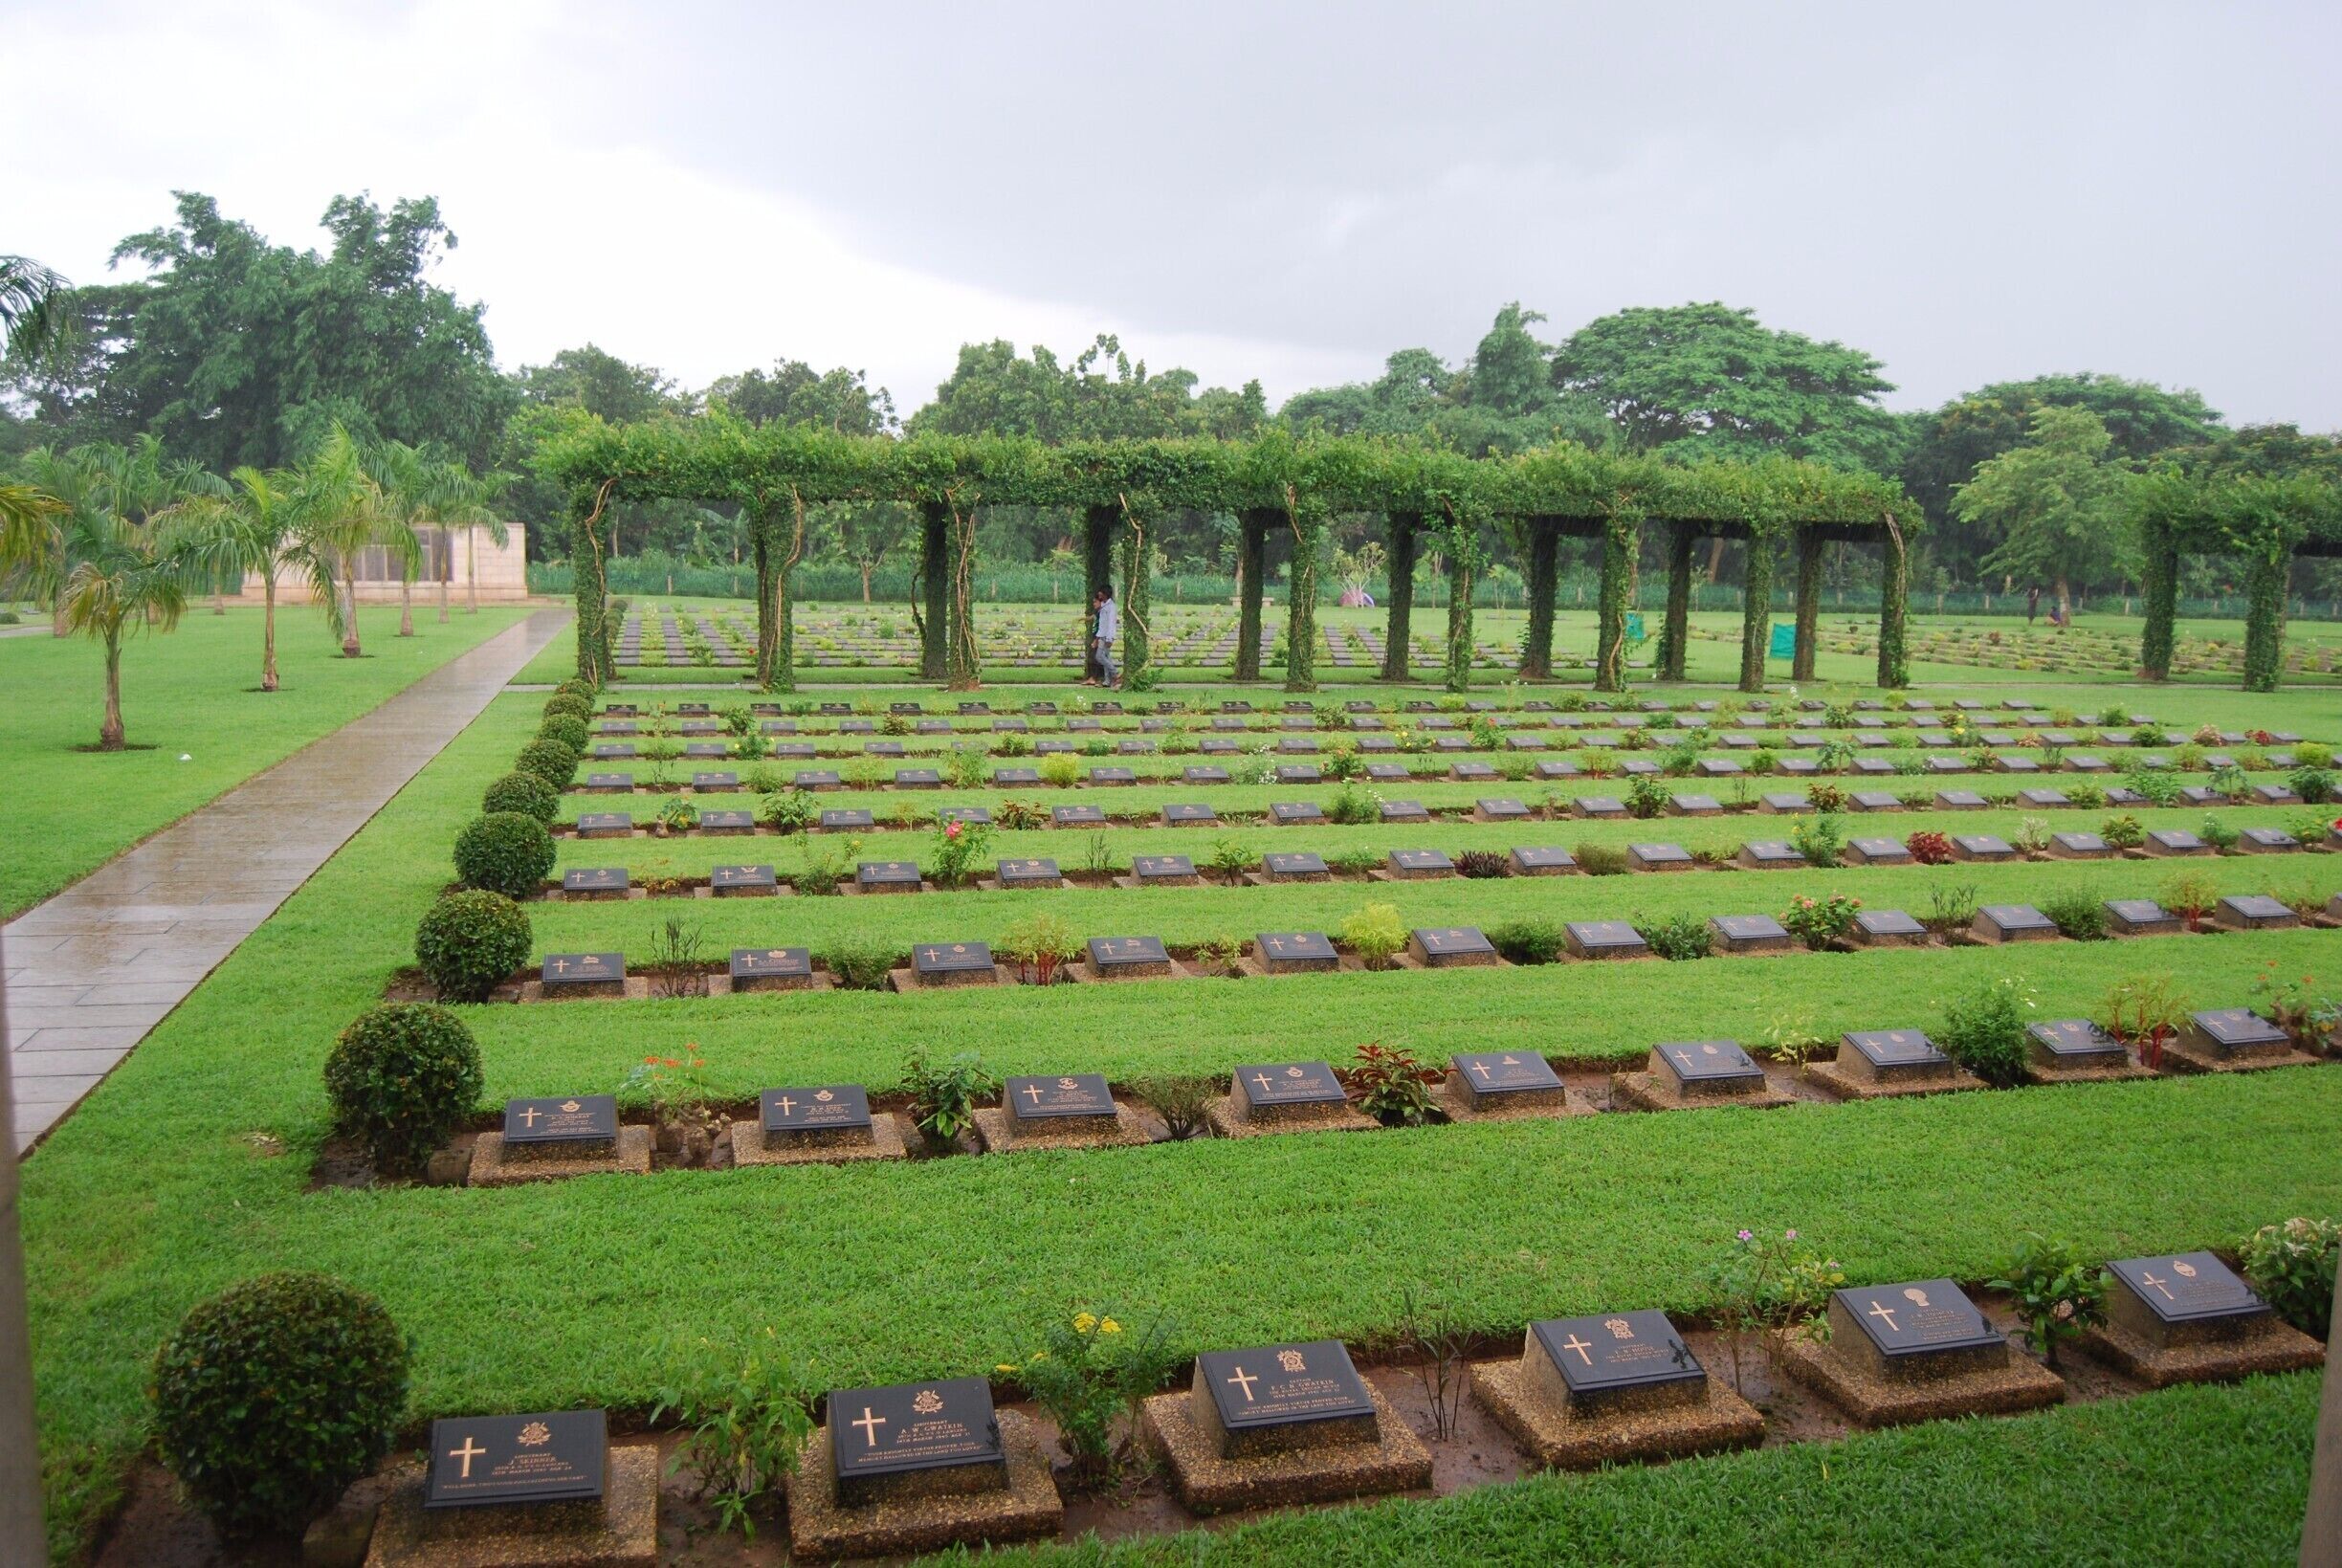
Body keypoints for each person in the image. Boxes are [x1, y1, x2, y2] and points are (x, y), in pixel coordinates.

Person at [1093, 585, 1120, 690]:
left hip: (1107, 636)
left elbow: (1111, 624)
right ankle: (1107, 681)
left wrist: (1109, 638)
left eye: (1101, 593)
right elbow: (1102, 623)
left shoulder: (1111, 607)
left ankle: (1115, 673)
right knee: (1106, 657)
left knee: (1099, 656)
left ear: (1105, 594)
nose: (1099, 594)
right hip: (1101, 635)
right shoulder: (1103, 605)